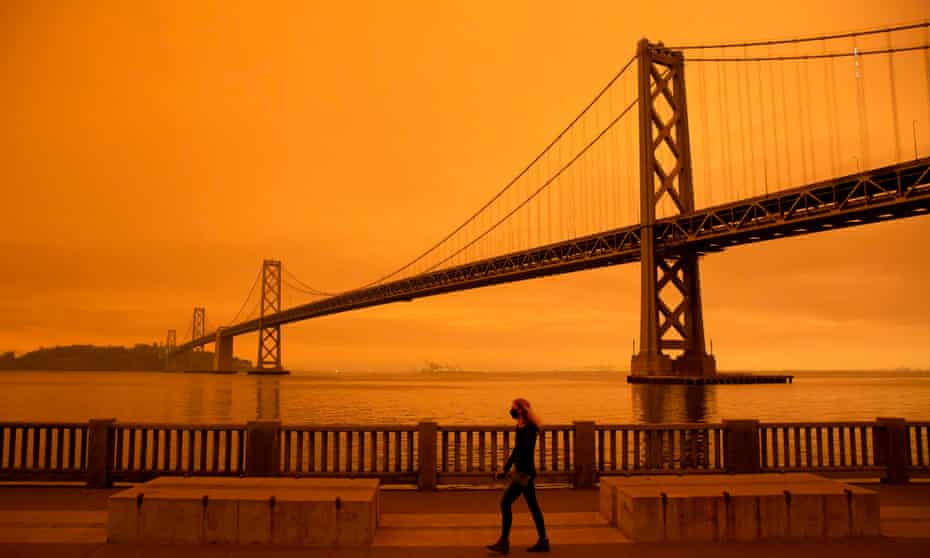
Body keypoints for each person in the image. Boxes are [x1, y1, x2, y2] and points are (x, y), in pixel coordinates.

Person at [486, 398, 549, 553]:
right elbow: (516, 451)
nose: (511, 410)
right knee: (533, 507)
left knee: (505, 502)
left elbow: (523, 451)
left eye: (513, 408)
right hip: (523, 473)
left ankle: (504, 542)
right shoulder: (520, 426)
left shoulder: (530, 429)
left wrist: (521, 474)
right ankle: (543, 540)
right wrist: (506, 469)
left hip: (524, 474)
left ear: (521, 410)